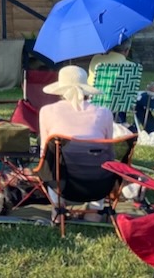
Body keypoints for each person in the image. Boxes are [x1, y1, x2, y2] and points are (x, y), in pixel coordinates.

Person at [38, 65, 114, 221]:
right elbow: (109, 150)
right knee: (99, 159)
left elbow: (43, 152)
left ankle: (58, 211)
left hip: (62, 184)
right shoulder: (104, 113)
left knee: (50, 162)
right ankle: (94, 212)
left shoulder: (47, 111)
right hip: (99, 183)